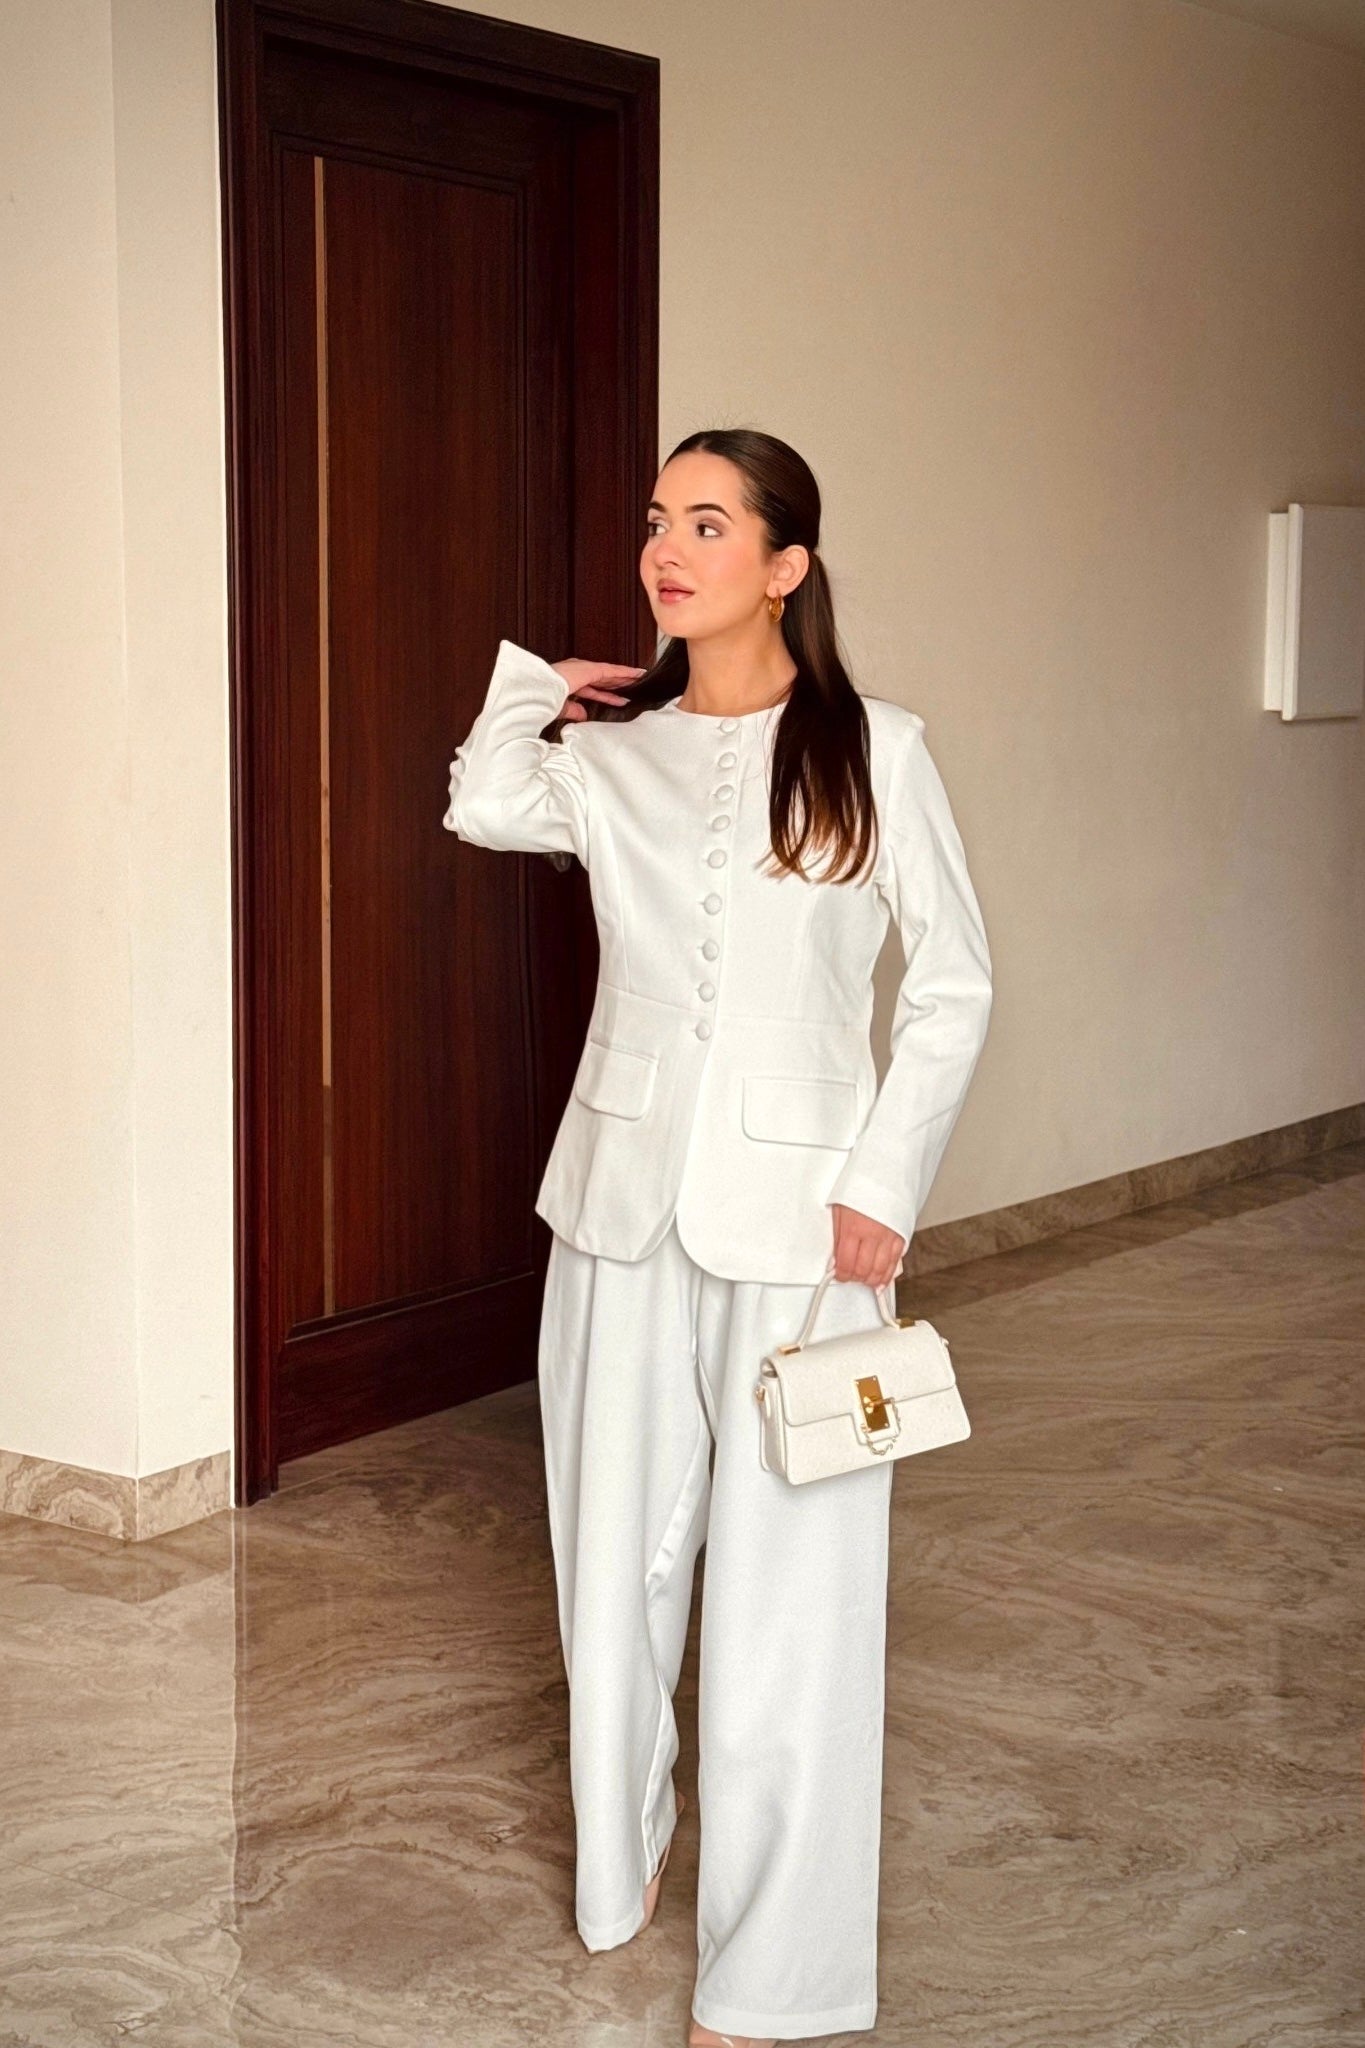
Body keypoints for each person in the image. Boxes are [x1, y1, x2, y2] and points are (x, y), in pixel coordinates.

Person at [443, 427, 993, 2046]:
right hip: (614, 1207)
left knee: (792, 1600)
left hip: (807, 1228)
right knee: (608, 1564)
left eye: (704, 523)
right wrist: (539, 687)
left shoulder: (876, 749)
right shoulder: (616, 755)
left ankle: (774, 1980)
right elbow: (485, 808)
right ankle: (617, 1881)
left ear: (783, 564)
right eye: (654, 520)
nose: (664, 550)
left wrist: (881, 1187)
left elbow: (953, 983)